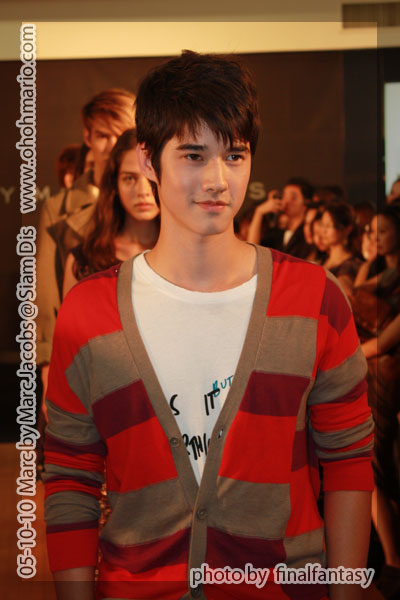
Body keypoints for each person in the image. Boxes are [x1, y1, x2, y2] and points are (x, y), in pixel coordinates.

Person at [44, 50, 373, 600]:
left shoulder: (314, 298)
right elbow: (71, 477)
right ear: (149, 161)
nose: (218, 180)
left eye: (235, 155)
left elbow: (348, 462)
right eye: (194, 155)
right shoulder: (88, 312)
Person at [35, 88, 135, 395]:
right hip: (84, 350)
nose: (113, 144)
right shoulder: (58, 208)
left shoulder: (154, 199)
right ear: (88, 137)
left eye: (122, 134)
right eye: (103, 135)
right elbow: (46, 292)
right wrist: (48, 362)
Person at [350, 207, 400, 599]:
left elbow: (388, 339)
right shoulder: (378, 270)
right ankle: (389, 557)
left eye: (383, 232)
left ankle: (393, 561)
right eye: (371, 231)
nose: (375, 238)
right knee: (371, 464)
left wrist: (346, 355)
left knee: (378, 464)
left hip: (387, 373)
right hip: (370, 370)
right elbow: (353, 297)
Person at [63, 129, 159, 296]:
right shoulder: (84, 262)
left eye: (151, 177)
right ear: (114, 183)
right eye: (130, 178)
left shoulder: (190, 256)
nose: (143, 191)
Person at [247, 177, 314, 259]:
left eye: (293, 197)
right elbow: (252, 249)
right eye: (285, 196)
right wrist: (259, 212)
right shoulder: (277, 234)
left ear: (306, 202)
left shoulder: (308, 234)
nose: (286, 201)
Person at [320, 201, 362, 296]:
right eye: (322, 224)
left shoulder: (350, 265)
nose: (323, 231)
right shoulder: (323, 259)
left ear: (347, 229)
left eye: (328, 226)